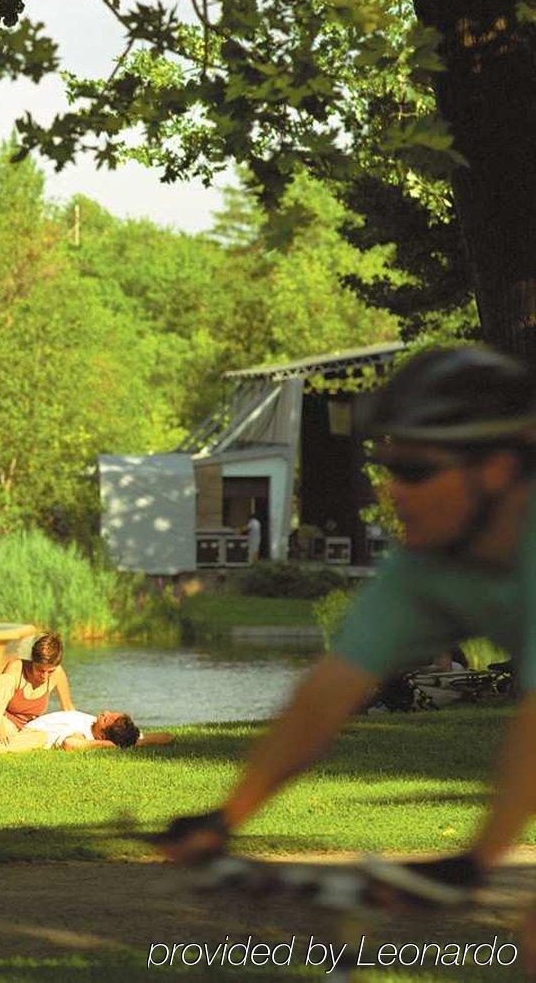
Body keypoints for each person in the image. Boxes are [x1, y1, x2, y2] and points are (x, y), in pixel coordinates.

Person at [155, 346, 536, 959]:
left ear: (493, 468)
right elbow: (326, 695)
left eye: (414, 469)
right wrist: (225, 817)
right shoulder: (428, 564)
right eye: (388, 466)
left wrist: (477, 858)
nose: (392, 490)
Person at [22, 708, 173, 751]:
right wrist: (138, 742)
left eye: (106, 719)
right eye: (110, 714)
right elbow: (167, 736)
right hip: (26, 727)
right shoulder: (93, 722)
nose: (104, 712)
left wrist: (106, 745)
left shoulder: (83, 733)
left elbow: (69, 744)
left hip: (26, 735)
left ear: (102, 736)